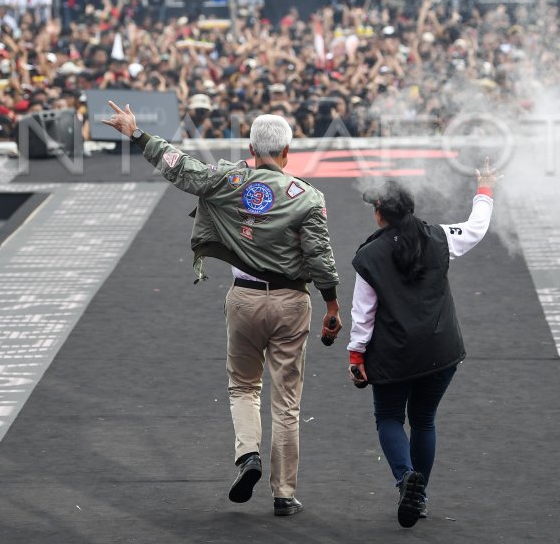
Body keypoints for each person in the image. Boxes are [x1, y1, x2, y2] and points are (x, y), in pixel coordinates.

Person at [101, 103, 340, 517]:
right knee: (287, 402)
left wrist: (137, 134)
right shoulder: (308, 197)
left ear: (250, 147)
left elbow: (181, 167)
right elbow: (319, 255)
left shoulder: (228, 179)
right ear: (287, 151)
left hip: (244, 298)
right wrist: (332, 303)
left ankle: (248, 454)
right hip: (290, 303)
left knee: (244, 386)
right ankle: (283, 493)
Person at [346, 160, 498, 528]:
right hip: (441, 353)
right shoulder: (440, 237)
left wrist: (356, 355)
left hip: (393, 357)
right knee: (424, 420)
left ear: (380, 214)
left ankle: (405, 479)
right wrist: (486, 188)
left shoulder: (368, 257)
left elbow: (363, 314)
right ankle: (421, 493)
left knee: (388, 418)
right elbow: (476, 227)